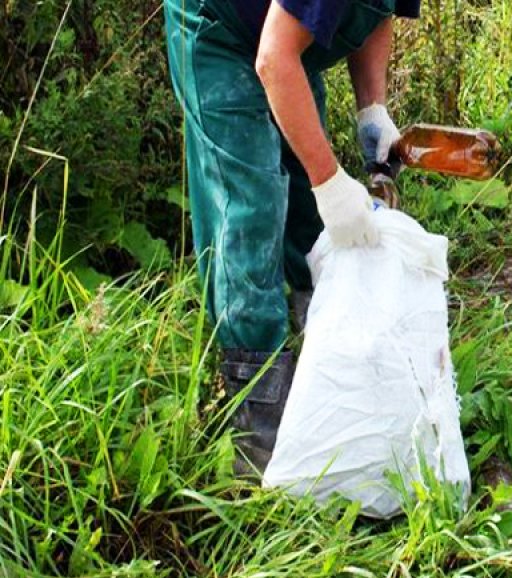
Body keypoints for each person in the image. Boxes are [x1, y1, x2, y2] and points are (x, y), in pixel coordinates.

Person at [163, 0, 420, 476]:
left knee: (308, 208)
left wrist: (373, 108)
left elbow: (377, 11)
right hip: (218, 28)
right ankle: (254, 406)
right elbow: (273, 59)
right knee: (251, 208)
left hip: (278, 34)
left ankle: (326, 350)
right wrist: (331, 181)